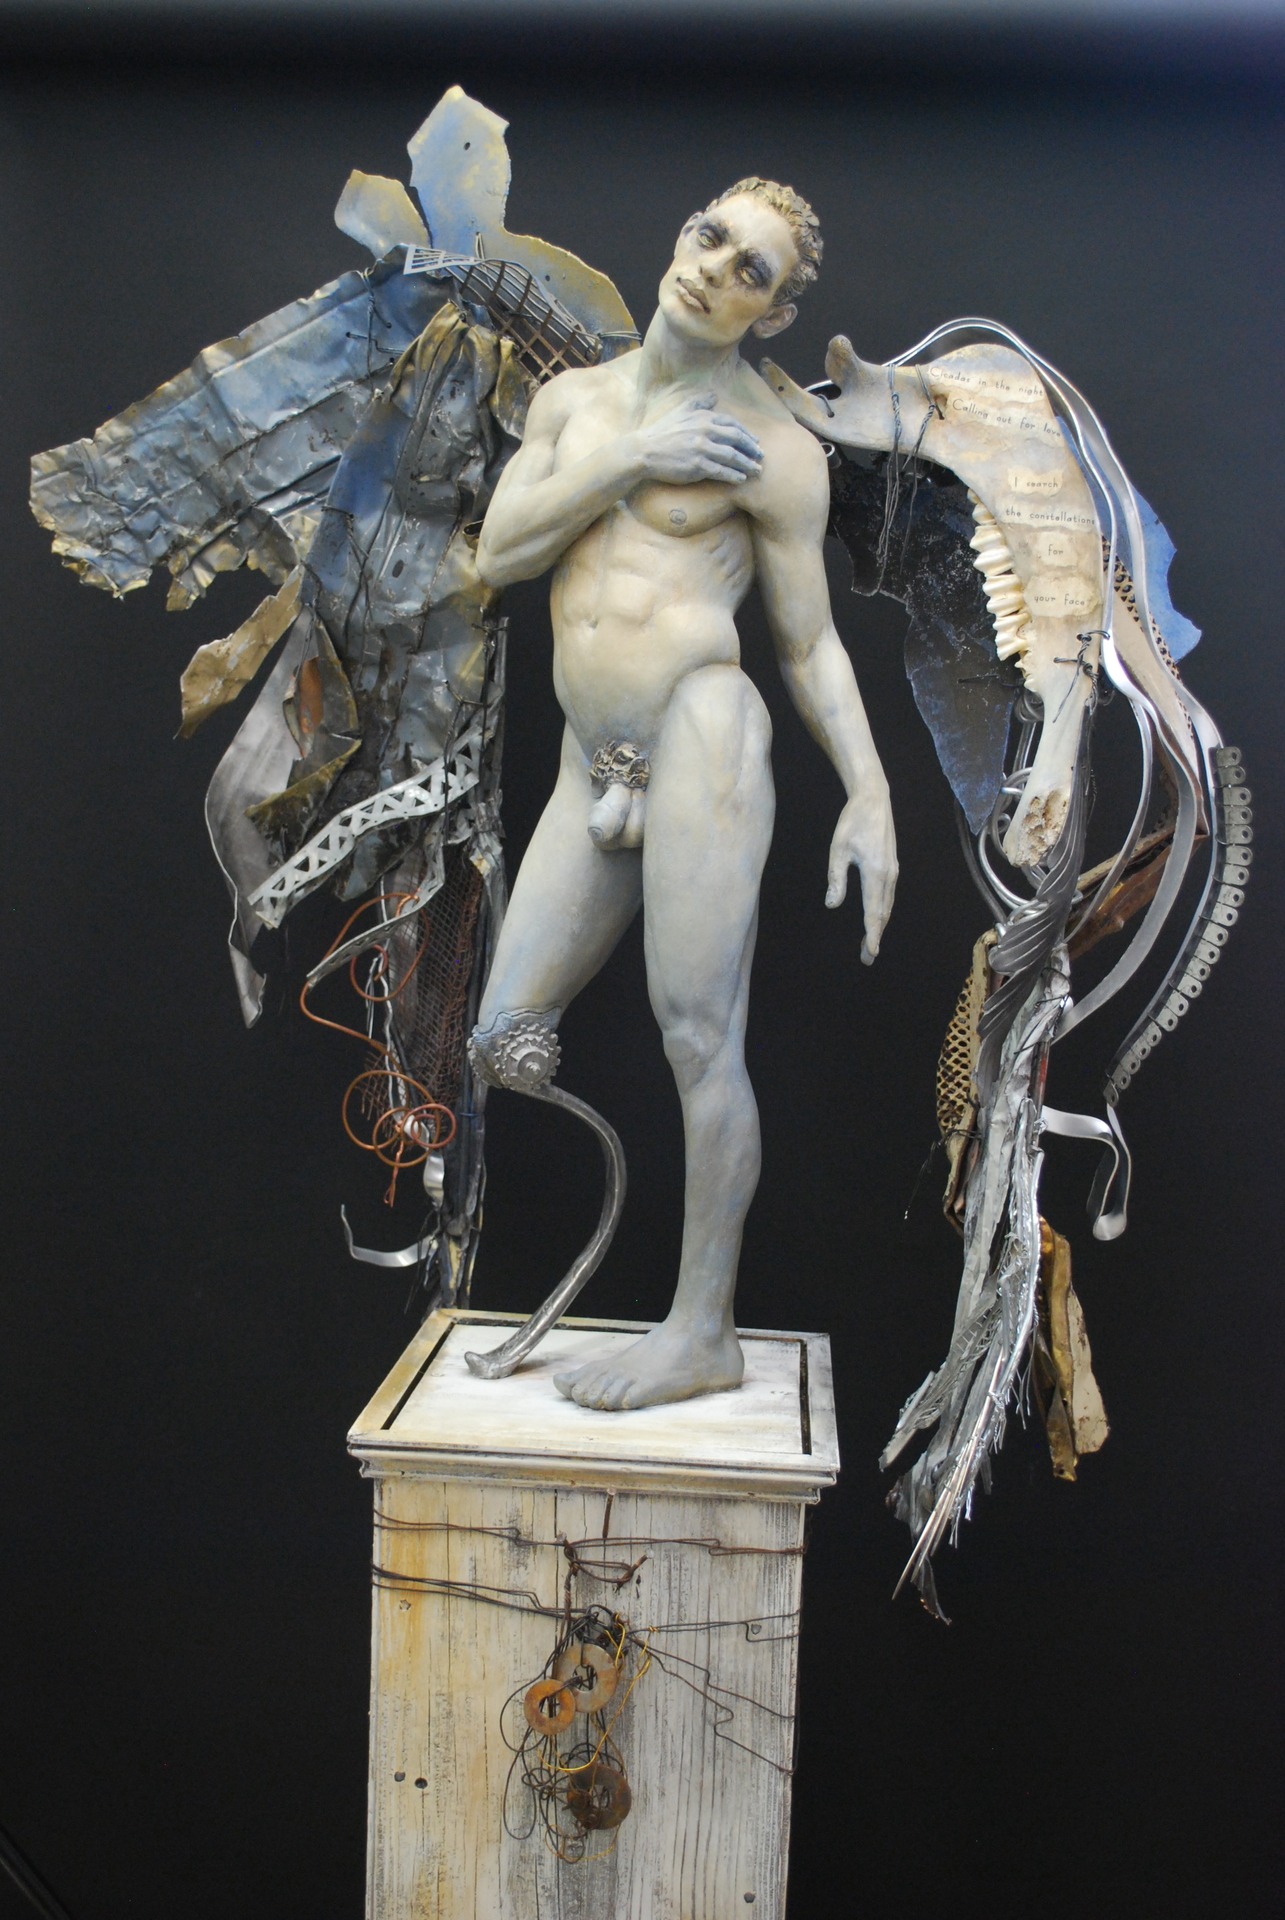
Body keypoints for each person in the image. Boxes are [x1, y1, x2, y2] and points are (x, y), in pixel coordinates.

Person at [470, 179, 898, 1410]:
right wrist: (632, 459)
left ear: (772, 316)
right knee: (502, 1042)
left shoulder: (775, 448)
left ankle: (701, 1328)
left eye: (751, 270)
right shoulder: (574, 404)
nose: (716, 268)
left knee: (700, 1038)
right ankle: (611, 1270)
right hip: (590, 765)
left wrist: (868, 795)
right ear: (682, 234)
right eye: (712, 237)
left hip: (701, 736)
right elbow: (498, 555)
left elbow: (807, 646)